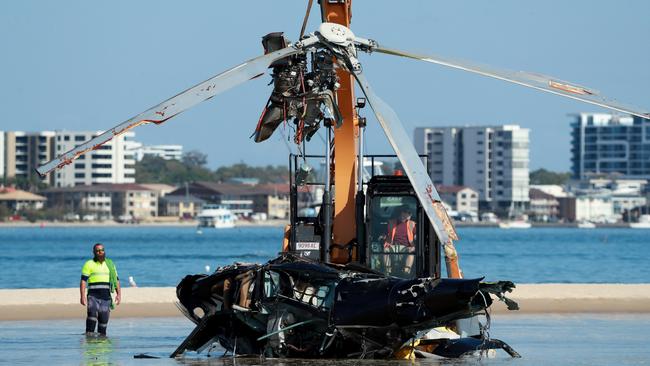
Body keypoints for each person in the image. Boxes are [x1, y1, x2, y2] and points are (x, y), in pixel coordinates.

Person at [80, 243, 121, 336]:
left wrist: (119, 294)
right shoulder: (89, 264)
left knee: (103, 323)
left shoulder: (110, 264)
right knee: (92, 316)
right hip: (93, 296)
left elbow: (116, 280)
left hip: (106, 297)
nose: (100, 252)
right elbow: (83, 281)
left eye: (102, 250)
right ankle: (89, 343)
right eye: (97, 250)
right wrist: (82, 296)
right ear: (94, 252)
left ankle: (101, 345)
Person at [383, 205, 416, 276]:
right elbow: (385, 233)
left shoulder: (412, 224)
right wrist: (383, 237)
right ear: (401, 213)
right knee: (386, 250)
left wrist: (414, 245)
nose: (409, 215)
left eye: (410, 213)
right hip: (393, 246)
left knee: (411, 252)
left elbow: (417, 236)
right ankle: (388, 271)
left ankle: (406, 272)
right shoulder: (391, 222)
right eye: (407, 212)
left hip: (406, 247)